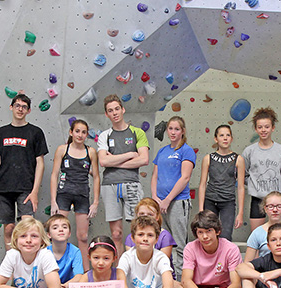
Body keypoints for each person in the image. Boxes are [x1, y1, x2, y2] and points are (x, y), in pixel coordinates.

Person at [0, 93, 49, 250]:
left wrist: (35, 191)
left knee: (27, 227)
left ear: (28, 111)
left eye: (24, 107)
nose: (20, 109)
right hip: (4, 187)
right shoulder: (1, 133)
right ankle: (11, 265)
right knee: (9, 228)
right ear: (11, 107)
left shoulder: (35, 132)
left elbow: (40, 163)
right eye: (17, 106)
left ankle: (28, 264)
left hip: (26, 188)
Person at [97, 94, 150, 255]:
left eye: (117, 109)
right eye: (110, 111)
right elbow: (103, 162)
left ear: (123, 109)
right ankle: (120, 272)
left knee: (139, 231)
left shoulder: (137, 132)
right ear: (106, 114)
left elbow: (144, 159)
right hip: (109, 185)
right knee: (116, 234)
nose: (114, 113)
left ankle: (138, 268)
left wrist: (113, 160)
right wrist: (129, 154)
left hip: (132, 184)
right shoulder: (104, 135)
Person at [117, 216, 189, 288]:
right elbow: (121, 285)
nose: (145, 239)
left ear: (156, 239)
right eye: (140, 235)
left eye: (150, 235)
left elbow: (168, 287)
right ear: (132, 238)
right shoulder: (126, 257)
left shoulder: (160, 257)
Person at [49, 118, 100, 269]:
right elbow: (54, 174)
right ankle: (54, 269)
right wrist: (53, 200)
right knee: (58, 234)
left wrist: (96, 202)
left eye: (84, 132)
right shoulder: (62, 149)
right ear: (71, 132)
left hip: (82, 196)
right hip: (63, 194)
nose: (80, 135)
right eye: (77, 131)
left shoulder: (90, 152)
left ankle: (85, 273)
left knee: (82, 236)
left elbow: (96, 177)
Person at [151, 116, 196, 274]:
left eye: (177, 129)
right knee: (164, 242)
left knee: (179, 243)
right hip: (161, 203)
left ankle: (182, 280)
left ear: (182, 131)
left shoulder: (186, 150)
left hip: (177, 202)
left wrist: (168, 199)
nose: (173, 132)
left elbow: (185, 177)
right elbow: (155, 176)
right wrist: (156, 198)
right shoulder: (162, 151)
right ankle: (167, 277)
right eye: (170, 128)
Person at [243, 107, 281, 231]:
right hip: (258, 199)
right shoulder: (249, 151)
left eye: (266, 127)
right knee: (257, 235)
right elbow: (242, 174)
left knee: (280, 235)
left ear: (273, 128)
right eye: (260, 127)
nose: (263, 130)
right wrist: (253, 184)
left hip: (278, 199)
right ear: (256, 129)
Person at [181, 211, 244, 288]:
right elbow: (186, 280)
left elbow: (236, 283)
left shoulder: (231, 249)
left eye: (208, 231)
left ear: (217, 231)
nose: (205, 236)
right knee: (175, 287)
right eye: (200, 232)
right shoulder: (190, 248)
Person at [197, 124, 246, 241]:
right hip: (210, 200)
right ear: (216, 139)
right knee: (208, 234)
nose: (225, 138)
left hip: (228, 201)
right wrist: (200, 209)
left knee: (225, 236)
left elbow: (240, 187)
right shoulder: (208, 158)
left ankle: (223, 260)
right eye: (221, 135)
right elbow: (202, 184)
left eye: (228, 135)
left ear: (231, 138)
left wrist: (240, 213)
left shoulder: (238, 159)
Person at [124, 198, 177, 278]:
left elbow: (161, 263)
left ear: (157, 217)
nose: (146, 217)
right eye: (142, 214)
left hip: (161, 278)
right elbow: (132, 263)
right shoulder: (130, 238)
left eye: (150, 214)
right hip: (138, 278)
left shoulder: (165, 236)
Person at [245, 192, 281, 261]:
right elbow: (247, 263)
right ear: (265, 209)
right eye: (270, 206)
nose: (275, 210)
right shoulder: (257, 233)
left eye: (279, 206)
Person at [44, 215, 84, 288]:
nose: (61, 230)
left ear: (69, 233)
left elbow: (79, 276)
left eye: (64, 227)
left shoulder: (75, 251)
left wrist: (63, 287)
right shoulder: (44, 252)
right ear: (49, 235)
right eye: (55, 228)